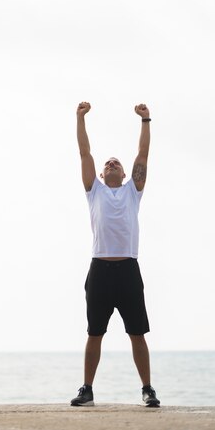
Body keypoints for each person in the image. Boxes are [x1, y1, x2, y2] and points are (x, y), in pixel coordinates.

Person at [71, 101, 160, 408]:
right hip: (100, 270)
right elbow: (85, 152)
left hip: (127, 271)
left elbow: (143, 155)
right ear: (100, 173)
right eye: (107, 163)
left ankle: (147, 389)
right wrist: (80, 118)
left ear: (124, 175)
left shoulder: (132, 191)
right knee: (94, 332)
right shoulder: (93, 190)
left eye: (116, 163)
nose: (110, 164)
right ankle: (87, 389)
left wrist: (145, 120)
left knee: (137, 333)